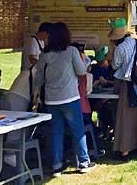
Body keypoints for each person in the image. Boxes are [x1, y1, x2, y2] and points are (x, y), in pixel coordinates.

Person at [34, 22, 94, 176]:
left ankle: (56, 165)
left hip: (51, 99)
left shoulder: (45, 55)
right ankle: (84, 162)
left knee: (56, 132)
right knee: (78, 130)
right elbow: (81, 71)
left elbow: (38, 77)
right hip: (70, 97)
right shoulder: (71, 51)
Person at [110, 18, 137, 159]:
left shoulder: (120, 48)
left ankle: (125, 149)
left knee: (126, 117)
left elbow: (115, 66)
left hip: (127, 83)